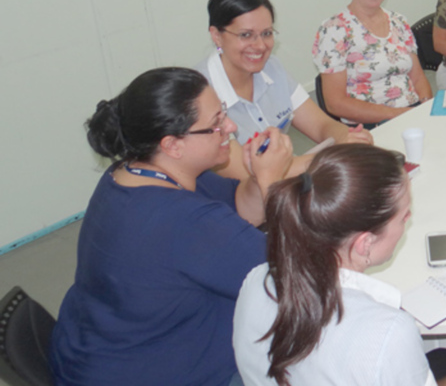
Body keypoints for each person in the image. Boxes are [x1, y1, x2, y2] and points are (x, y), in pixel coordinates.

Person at [50, 67, 291, 386]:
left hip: (98, 350)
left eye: (223, 113)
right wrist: (273, 181)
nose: (231, 127)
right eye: (216, 124)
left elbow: (239, 204)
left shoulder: (136, 172)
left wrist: (258, 176)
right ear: (172, 145)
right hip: (143, 373)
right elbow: (294, 276)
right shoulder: (185, 222)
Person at [233, 144, 446, 386]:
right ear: (365, 243)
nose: (408, 219)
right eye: (403, 216)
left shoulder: (255, 281)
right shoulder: (388, 332)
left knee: (445, 359)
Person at [198, 0, 372, 178]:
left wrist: (347, 138)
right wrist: (331, 156)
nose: (260, 46)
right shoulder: (199, 94)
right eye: (246, 35)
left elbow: (321, 125)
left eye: (266, 33)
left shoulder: (271, 68)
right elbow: (246, 174)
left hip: (293, 179)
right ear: (216, 36)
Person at [313, 0, 432, 128]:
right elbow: (335, 103)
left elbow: (418, 78)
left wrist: (426, 107)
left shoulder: (398, 22)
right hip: (369, 126)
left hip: (410, 114)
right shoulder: (334, 30)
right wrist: (398, 115)